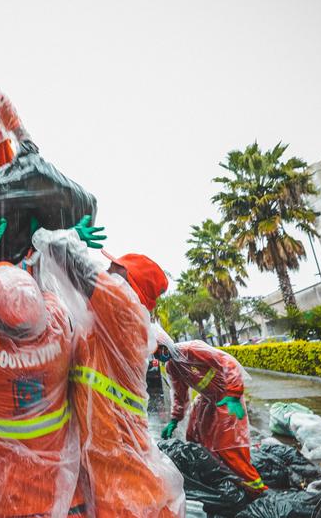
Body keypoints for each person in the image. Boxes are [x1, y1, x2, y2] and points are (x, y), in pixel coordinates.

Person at [32, 222, 185, 518]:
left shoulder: (126, 313)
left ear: (127, 284)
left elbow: (66, 256)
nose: (108, 270)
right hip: (116, 486)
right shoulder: (101, 330)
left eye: (115, 269)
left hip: (132, 495)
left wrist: (68, 235)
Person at [0, 212, 83, 517]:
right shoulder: (59, 334)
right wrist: (40, 253)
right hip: (60, 500)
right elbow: (48, 291)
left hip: (8, 505)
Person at [157, 330, 267, 493]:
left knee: (228, 443)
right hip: (207, 398)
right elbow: (180, 394)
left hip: (226, 396)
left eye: (158, 351)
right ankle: (219, 473)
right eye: (154, 354)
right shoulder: (172, 366)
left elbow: (226, 362)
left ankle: (255, 486)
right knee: (194, 436)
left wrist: (234, 394)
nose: (158, 356)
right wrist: (175, 418)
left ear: (165, 345)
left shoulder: (192, 349)